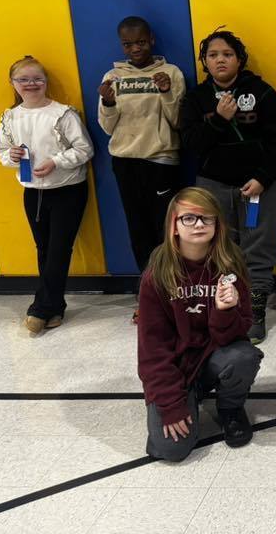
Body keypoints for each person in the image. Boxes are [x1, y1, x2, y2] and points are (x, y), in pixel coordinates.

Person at [179, 29, 276, 344]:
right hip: (214, 187)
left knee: (258, 247)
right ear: (205, 62)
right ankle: (224, 308)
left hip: (258, 187)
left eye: (227, 54)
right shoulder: (195, 98)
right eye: (213, 55)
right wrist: (218, 119)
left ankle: (255, 311)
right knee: (218, 248)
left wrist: (263, 177)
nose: (220, 60)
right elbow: (191, 143)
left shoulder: (262, 92)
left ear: (239, 60)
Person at [137, 187, 263, 462]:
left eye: (207, 218)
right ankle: (187, 396)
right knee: (171, 450)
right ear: (174, 225)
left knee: (245, 355)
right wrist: (170, 404)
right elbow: (152, 350)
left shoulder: (230, 263)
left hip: (213, 357)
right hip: (175, 367)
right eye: (189, 218)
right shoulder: (156, 275)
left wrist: (224, 311)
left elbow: (239, 333)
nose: (198, 225)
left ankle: (230, 408)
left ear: (217, 225)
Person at [98, 16, 186, 322]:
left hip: (160, 160)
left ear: (152, 40)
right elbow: (108, 127)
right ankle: (149, 295)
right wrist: (107, 103)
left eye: (141, 42)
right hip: (125, 161)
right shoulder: (113, 76)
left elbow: (178, 121)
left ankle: (173, 293)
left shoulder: (170, 72)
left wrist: (166, 92)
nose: (135, 48)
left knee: (165, 231)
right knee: (138, 230)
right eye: (128, 44)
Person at [0, 56, 94, 334]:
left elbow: (84, 149)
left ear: (46, 81)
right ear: (13, 83)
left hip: (67, 190)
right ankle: (55, 307)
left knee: (59, 249)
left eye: (37, 78)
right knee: (44, 249)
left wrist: (56, 161)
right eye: (23, 79)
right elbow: (3, 152)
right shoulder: (10, 116)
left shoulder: (63, 114)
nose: (31, 84)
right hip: (33, 192)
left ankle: (40, 307)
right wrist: (12, 156)